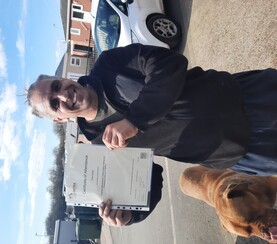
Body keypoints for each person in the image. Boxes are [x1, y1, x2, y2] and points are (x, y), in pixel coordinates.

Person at [27, 43, 277, 226]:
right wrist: (130, 215)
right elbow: (149, 181)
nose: (63, 95)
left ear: (61, 78)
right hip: (240, 151)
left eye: (56, 86)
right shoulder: (98, 147)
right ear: (59, 119)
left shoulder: (110, 65)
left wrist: (135, 119)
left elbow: (169, 63)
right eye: (54, 103)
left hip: (246, 95)